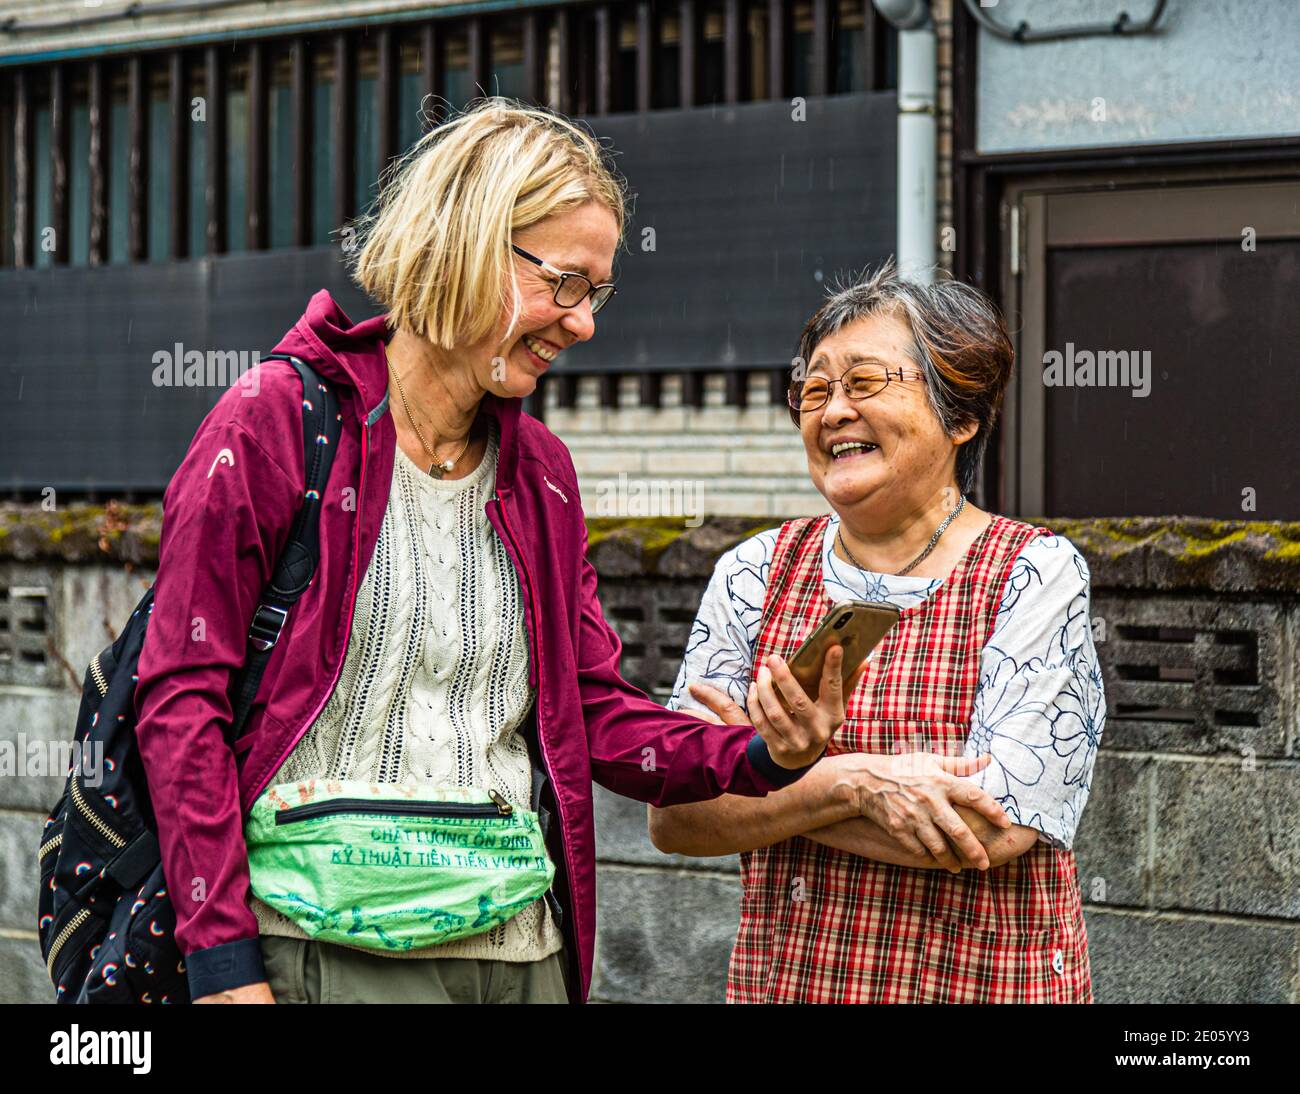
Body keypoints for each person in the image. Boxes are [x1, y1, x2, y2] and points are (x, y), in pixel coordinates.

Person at [133, 98, 861, 1005]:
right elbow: (178, 700)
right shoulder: (277, 422)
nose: (583, 322)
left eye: (594, 292)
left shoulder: (542, 472)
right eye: (563, 283)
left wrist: (762, 753)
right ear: (470, 242)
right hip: (329, 948)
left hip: (523, 955)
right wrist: (223, 969)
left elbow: (593, 710)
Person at [649, 263, 1105, 1003]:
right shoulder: (754, 572)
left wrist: (770, 783)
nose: (831, 411)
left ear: (960, 417)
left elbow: (992, 829)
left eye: (864, 383)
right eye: (816, 388)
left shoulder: (1034, 572)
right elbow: (677, 813)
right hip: (792, 984)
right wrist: (863, 785)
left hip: (980, 985)